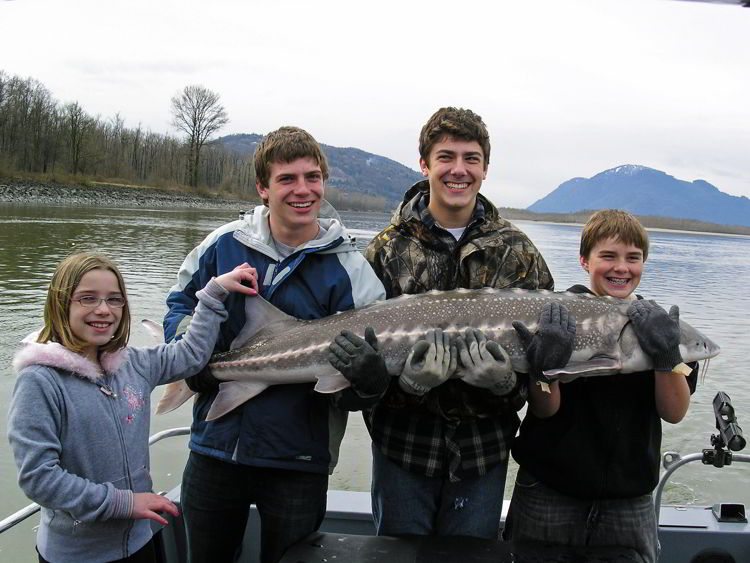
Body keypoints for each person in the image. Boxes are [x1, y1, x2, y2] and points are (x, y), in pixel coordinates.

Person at [163, 126, 386, 563]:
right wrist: (195, 362)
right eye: (287, 179)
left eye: (312, 177)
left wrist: (370, 382)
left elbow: (361, 387)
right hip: (215, 447)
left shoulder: (352, 268)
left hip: (298, 460)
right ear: (264, 188)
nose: (303, 190)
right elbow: (178, 306)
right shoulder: (224, 244)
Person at [331, 107, 554, 539]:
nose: (459, 170)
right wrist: (406, 386)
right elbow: (353, 370)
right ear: (425, 164)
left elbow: (544, 363)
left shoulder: (518, 251)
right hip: (403, 451)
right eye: (446, 156)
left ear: (485, 168)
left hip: (482, 454)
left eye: (471, 158)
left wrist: (506, 384)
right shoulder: (384, 250)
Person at [7, 253, 257, 563]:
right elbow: (38, 478)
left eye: (114, 300)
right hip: (77, 555)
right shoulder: (40, 381)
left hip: (141, 540)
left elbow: (191, 355)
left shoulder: (134, 363)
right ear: (61, 303)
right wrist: (124, 503)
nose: (103, 310)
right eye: (87, 298)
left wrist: (214, 293)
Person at [505, 209, 698, 562]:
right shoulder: (553, 317)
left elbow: (674, 412)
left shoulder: (661, 326)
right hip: (550, 490)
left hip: (629, 499)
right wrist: (542, 369)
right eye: (607, 256)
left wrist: (666, 356)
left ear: (644, 263)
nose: (621, 268)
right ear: (584, 261)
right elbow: (546, 409)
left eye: (633, 258)